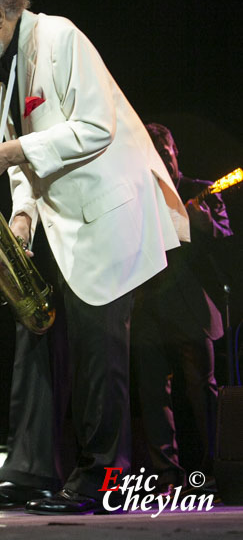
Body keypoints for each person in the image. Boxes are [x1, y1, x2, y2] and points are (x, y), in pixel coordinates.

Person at [0, 0, 189, 515]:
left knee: (101, 352)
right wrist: (20, 214)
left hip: (110, 215)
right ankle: (27, 472)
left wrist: (7, 153)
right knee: (35, 336)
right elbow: (22, 156)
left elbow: (94, 127)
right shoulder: (1, 67)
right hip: (60, 220)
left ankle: (102, 481)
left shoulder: (61, 36)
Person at [131, 122, 232, 496]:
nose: (160, 157)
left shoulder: (200, 192)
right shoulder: (138, 195)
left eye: (165, 151)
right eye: (152, 152)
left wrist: (204, 224)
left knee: (202, 392)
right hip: (147, 306)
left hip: (193, 309)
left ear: (176, 153)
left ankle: (212, 472)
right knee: (153, 395)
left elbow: (227, 244)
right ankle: (165, 478)